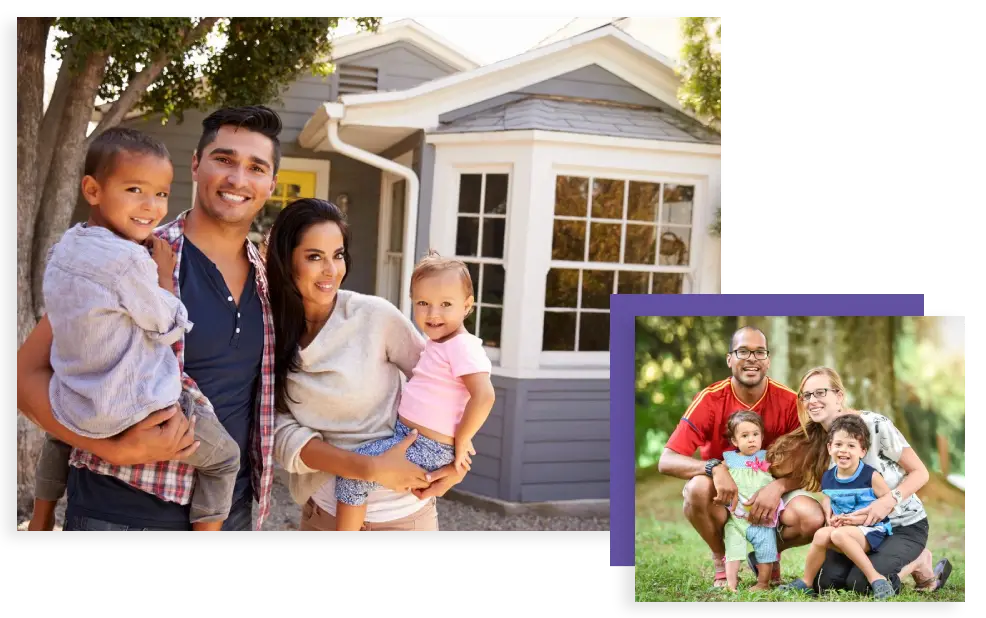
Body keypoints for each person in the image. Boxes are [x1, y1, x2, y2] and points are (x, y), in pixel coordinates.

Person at [27, 127, 240, 532]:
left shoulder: (64, 248)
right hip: (137, 411)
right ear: (92, 190)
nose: (151, 207)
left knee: (60, 434)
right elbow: (166, 326)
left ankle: (41, 517)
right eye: (135, 190)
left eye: (160, 194)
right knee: (225, 459)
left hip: (78, 400)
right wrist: (164, 280)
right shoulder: (131, 261)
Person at [266, 199, 470, 532]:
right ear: (286, 260)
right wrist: (366, 467)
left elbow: (445, 385)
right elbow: (277, 431)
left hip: (403, 516)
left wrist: (457, 461)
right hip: (324, 517)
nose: (331, 271)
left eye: (338, 254)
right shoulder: (269, 333)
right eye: (314, 256)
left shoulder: (375, 317)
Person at [333, 251, 495, 531]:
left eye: (446, 304)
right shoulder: (439, 343)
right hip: (411, 438)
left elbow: (484, 395)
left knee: (353, 473)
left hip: (428, 447)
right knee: (358, 464)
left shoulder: (462, 346)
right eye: (423, 303)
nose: (433, 314)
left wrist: (463, 441)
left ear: (467, 305)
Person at [657, 325, 825, 588]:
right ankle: (722, 559)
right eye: (743, 351)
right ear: (730, 359)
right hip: (727, 491)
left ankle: (765, 553)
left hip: (774, 491)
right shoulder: (711, 400)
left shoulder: (791, 402)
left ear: (768, 360)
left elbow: (810, 463)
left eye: (759, 353)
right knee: (696, 490)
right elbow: (666, 460)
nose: (751, 359)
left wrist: (778, 486)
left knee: (811, 518)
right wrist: (715, 468)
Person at [767, 366, 952, 595]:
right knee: (825, 583)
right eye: (807, 395)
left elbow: (920, 472)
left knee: (861, 585)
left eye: (820, 392)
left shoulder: (874, 425)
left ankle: (919, 561)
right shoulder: (823, 443)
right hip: (856, 531)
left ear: (839, 396)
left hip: (901, 525)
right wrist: (828, 506)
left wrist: (888, 501)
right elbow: (830, 487)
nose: (812, 400)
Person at [779, 414, 896, 599]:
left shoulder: (870, 476)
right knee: (821, 534)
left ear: (862, 451)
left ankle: (876, 578)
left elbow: (889, 505)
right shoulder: (828, 477)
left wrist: (857, 519)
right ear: (829, 447)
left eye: (851, 446)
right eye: (838, 444)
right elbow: (828, 497)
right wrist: (830, 513)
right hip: (843, 529)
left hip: (871, 530)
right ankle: (807, 582)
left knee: (837, 534)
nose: (844, 450)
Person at [720, 411, 780, 592]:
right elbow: (720, 474)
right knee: (733, 548)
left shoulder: (767, 457)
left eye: (755, 434)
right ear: (735, 441)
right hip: (736, 517)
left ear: (762, 436)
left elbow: (780, 476)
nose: (751, 439)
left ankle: (763, 583)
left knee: (767, 548)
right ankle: (730, 584)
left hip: (761, 517)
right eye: (745, 436)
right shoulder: (729, 459)